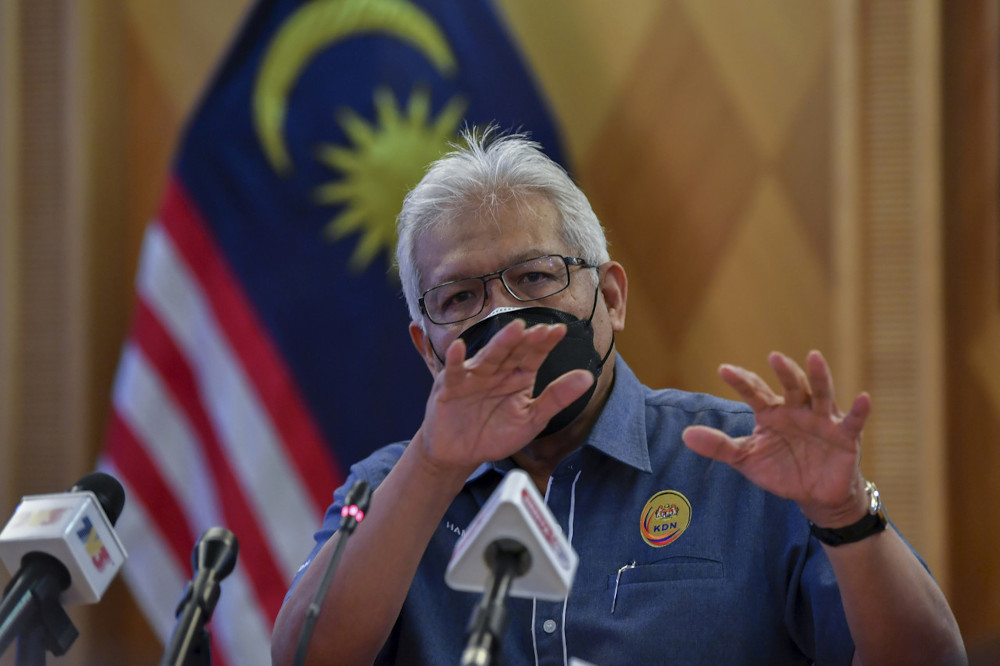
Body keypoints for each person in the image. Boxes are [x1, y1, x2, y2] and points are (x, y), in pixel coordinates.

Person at [271, 127, 966, 665]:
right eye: (460, 296)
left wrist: (844, 514)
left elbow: (932, 658)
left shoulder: (746, 461)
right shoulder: (391, 487)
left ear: (609, 297)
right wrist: (434, 467)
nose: (503, 318)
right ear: (427, 347)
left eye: (535, 278)